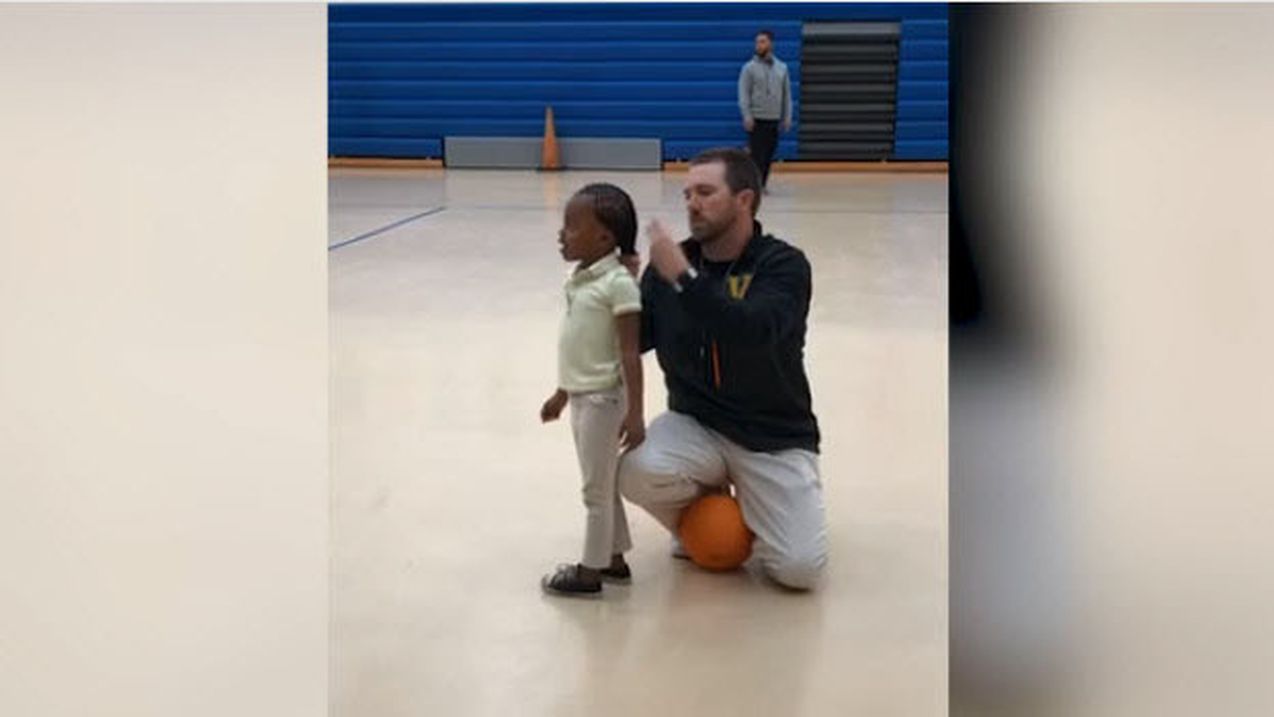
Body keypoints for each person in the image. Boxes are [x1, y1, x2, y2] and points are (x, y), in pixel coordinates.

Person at [619, 148, 828, 591]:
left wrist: (684, 279)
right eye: (687, 194)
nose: (692, 204)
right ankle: (704, 509)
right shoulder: (669, 267)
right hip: (697, 423)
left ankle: (759, 507)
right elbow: (637, 341)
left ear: (744, 200)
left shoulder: (783, 265)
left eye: (706, 192)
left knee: (799, 570)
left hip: (772, 436)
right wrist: (614, 293)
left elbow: (751, 330)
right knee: (635, 470)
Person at [540, 183, 646, 598]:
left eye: (571, 226)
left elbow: (630, 354)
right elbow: (582, 347)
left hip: (603, 400)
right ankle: (614, 559)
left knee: (594, 491)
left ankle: (589, 572)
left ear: (604, 238)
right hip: (583, 397)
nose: (561, 234)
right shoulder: (580, 279)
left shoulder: (618, 284)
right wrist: (562, 394)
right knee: (601, 481)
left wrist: (635, 413)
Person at [737, 29, 793, 191]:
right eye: (757, 42)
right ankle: (754, 185)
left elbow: (787, 95)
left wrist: (787, 117)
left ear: (770, 44)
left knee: (769, 154)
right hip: (756, 118)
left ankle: (762, 183)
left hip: (774, 118)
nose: (758, 45)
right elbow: (743, 93)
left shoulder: (782, 68)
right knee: (756, 155)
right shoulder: (749, 68)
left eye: (762, 42)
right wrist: (747, 115)